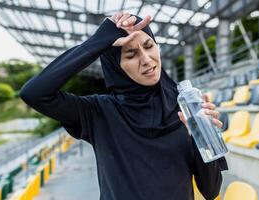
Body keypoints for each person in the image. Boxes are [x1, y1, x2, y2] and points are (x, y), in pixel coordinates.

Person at [19, 12, 228, 200]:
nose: (146, 60)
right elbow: (34, 93)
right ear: (115, 66)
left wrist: (202, 138)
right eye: (130, 54)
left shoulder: (186, 108)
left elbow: (211, 190)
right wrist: (98, 42)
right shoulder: (98, 113)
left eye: (148, 46)